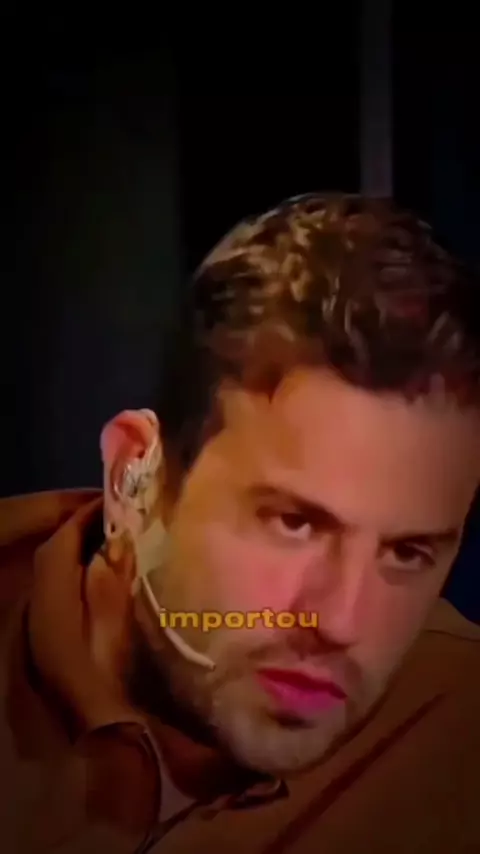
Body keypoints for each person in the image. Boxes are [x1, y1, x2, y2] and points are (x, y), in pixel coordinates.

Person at [1, 193, 479, 854]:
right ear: (133, 480)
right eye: (294, 523)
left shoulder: (460, 730)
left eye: (407, 553)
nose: (342, 623)